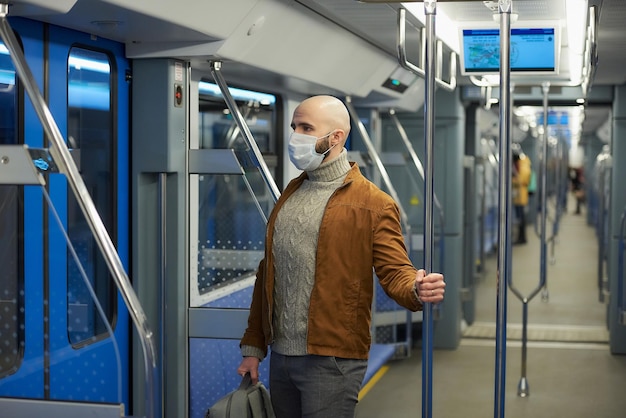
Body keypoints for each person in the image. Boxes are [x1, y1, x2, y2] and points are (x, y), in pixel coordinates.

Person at [237, 95, 446, 418]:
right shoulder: (290, 194)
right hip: (280, 356)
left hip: (332, 359)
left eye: (306, 128)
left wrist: (416, 288)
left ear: (336, 137)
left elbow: (395, 271)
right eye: (294, 126)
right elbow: (269, 274)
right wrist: (254, 347)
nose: (296, 136)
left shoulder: (374, 204)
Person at [512, 150, 531, 244]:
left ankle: (522, 238)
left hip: (521, 196)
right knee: (520, 218)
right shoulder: (523, 165)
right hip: (520, 196)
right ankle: (520, 237)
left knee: (521, 218)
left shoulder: (522, 167)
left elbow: (521, 181)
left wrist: (513, 181)